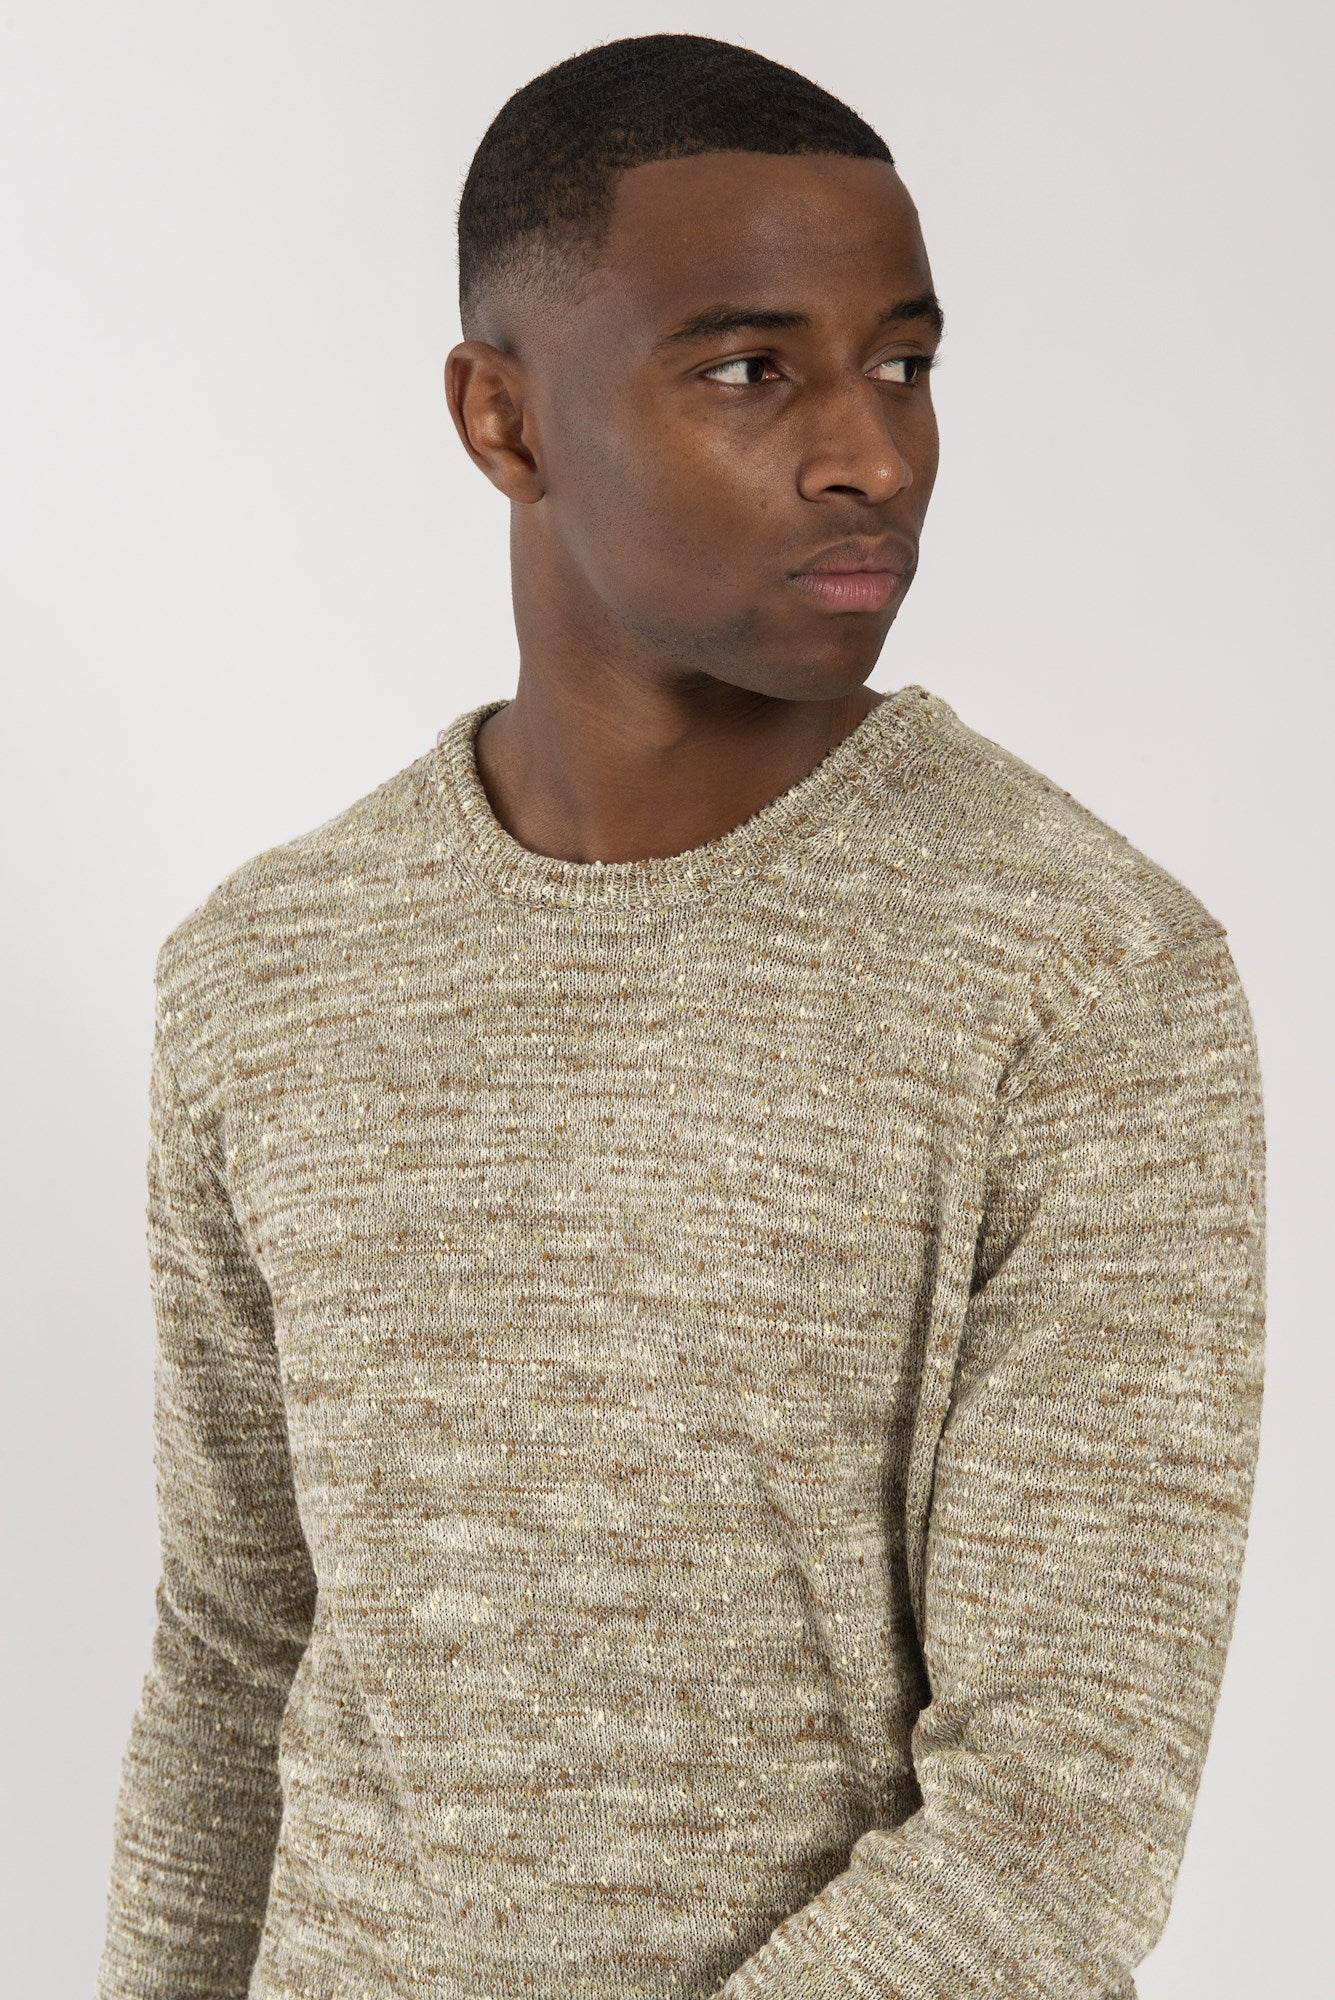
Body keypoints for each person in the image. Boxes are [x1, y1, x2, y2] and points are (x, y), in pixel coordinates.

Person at [94, 32, 1267, 2000]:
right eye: (751, 370)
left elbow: (1058, 1818)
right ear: (503, 419)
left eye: (905, 364)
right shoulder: (266, 966)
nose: (870, 452)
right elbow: (236, 1654)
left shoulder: (1080, 972)